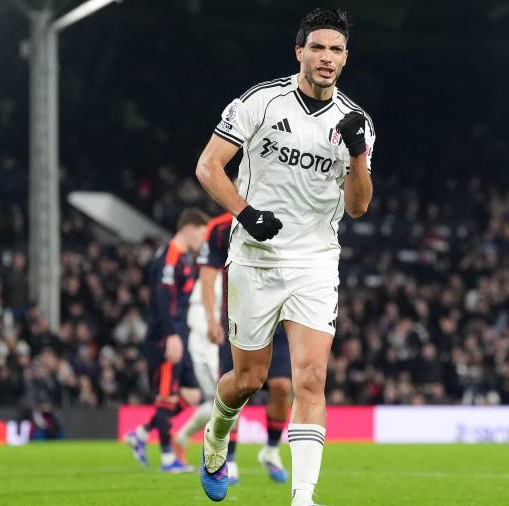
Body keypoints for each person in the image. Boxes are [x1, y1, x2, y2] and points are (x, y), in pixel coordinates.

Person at [194, 8, 375, 504]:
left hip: (316, 261)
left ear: (345, 59)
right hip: (255, 258)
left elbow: (358, 207)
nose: (326, 57)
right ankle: (215, 437)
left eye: (336, 50)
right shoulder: (260, 101)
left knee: (310, 379)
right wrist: (245, 213)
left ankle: (303, 497)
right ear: (300, 52)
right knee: (248, 379)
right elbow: (208, 167)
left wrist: (358, 156)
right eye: (317, 47)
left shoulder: (355, 122)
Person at [173, 211, 293, 485]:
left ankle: (271, 451)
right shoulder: (220, 227)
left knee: (283, 387)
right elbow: (207, 273)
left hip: (280, 317)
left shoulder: (287, 213)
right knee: (241, 386)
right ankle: (230, 458)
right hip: (239, 319)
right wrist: (212, 319)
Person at [125, 208, 209, 472]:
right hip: (166, 336)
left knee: (193, 396)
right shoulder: (170, 255)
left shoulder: (184, 258)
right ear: (189, 228)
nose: (203, 240)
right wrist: (171, 335)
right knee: (166, 397)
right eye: (201, 233)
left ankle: (141, 433)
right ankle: (167, 458)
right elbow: (162, 299)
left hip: (180, 332)